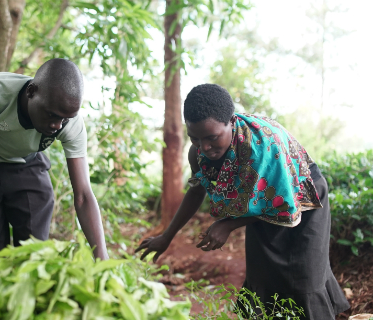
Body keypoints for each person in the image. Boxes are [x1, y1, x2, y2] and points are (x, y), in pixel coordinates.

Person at [135, 84, 349, 319]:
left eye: (212, 138)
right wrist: (167, 236)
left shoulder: (264, 147)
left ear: (231, 121)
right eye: (194, 138)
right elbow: (197, 191)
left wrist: (228, 224)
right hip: (263, 204)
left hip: (302, 198)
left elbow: (285, 201)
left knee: (306, 277)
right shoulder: (199, 153)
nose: (204, 147)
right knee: (264, 275)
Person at [0, 58, 108, 262]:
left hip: (28, 166)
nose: (57, 125)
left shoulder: (70, 121)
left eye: (64, 120)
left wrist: (101, 255)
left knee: (34, 255)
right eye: (52, 115)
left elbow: (84, 195)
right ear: (31, 92)